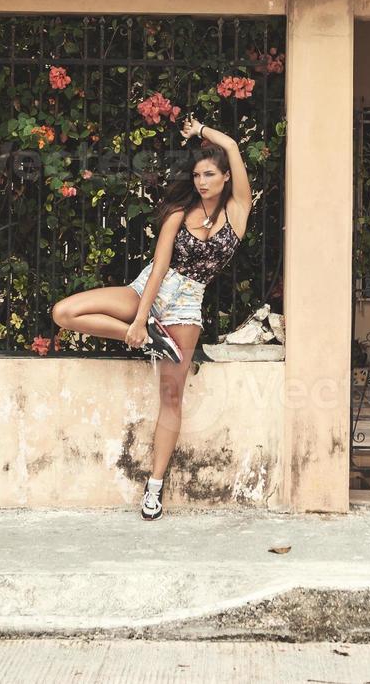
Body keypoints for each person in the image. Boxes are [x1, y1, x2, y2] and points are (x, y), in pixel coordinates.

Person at [50, 115, 253, 520]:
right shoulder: (180, 213)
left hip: (186, 306)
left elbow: (231, 144)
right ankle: (149, 336)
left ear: (227, 177)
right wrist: (140, 322)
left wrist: (199, 133)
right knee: (64, 312)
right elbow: (160, 267)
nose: (201, 181)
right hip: (149, 291)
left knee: (171, 398)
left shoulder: (239, 210)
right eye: (196, 174)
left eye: (209, 174)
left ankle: (154, 487)